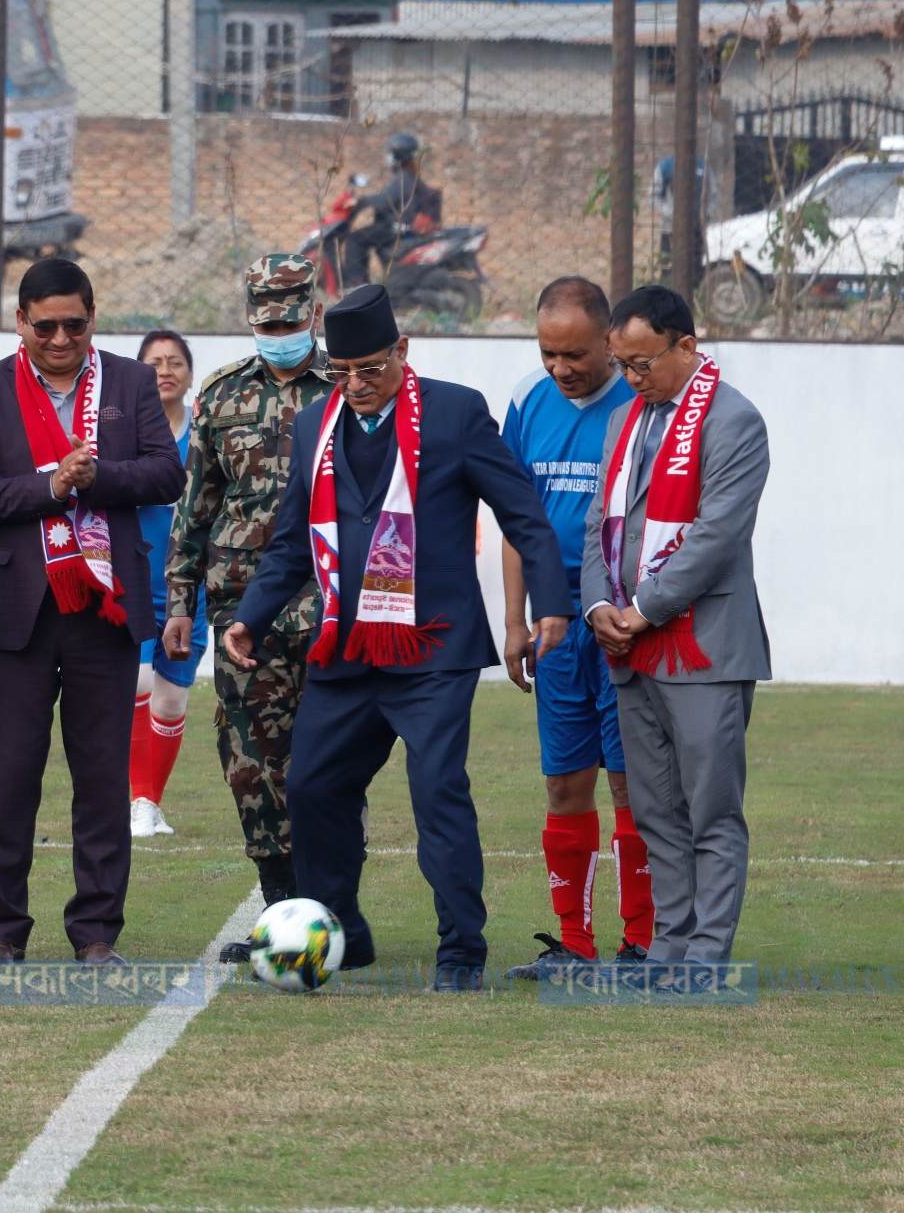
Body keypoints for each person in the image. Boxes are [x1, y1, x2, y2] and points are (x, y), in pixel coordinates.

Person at [222, 283, 570, 992]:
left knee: (436, 787)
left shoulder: (456, 414)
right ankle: (339, 928)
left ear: (402, 352)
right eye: (342, 370)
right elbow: (290, 542)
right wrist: (248, 617)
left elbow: (523, 513)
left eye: (371, 370)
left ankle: (460, 950)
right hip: (346, 648)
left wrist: (550, 606)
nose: (355, 385)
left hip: (433, 649)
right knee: (313, 784)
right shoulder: (313, 423)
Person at [0, 257, 184, 967]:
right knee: (10, 775)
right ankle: (4, 929)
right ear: (20, 321)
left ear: (93, 316)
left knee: (100, 777)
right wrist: (51, 485)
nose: (60, 338)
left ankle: (95, 933)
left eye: (74, 324)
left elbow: (166, 473)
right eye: (45, 325)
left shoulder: (130, 381)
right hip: (17, 610)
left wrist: (99, 477)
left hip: (105, 609)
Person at [584, 285, 770, 966]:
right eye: (622, 364)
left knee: (710, 808)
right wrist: (599, 605)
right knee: (657, 809)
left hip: (703, 648)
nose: (631, 379)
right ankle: (670, 942)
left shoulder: (735, 421)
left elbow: (717, 536)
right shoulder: (624, 420)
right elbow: (597, 528)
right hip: (630, 647)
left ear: (686, 346)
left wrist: (642, 607)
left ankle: (707, 952)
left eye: (642, 363)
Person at [162, 254, 336, 962]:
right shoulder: (222, 394)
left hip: (329, 608)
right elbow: (194, 506)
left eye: (291, 320)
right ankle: (282, 916)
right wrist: (180, 600)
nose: (280, 331)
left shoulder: (347, 386)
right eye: (267, 322)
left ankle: (332, 912)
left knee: (324, 769)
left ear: (314, 313)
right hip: (242, 615)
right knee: (251, 767)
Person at [496, 277, 652, 979]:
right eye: (548, 352)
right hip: (554, 630)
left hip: (623, 625)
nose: (561, 367)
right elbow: (513, 521)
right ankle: (574, 943)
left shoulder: (642, 408)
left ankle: (642, 941)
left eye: (576, 354)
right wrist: (514, 621)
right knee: (564, 786)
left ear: (610, 342)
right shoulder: (528, 404)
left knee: (631, 787)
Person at [127, 329, 204, 839]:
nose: (165, 370)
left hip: (189, 592)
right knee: (139, 684)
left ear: (190, 374)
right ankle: (134, 802)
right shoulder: (124, 432)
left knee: (172, 700)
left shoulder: (206, 433)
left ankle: (151, 802)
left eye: (175, 361)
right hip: (133, 582)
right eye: (154, 362)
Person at [340, 132, 441, 290]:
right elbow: (387, 198)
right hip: (400, 226)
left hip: (395, 227)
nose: (387, 158)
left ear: (397, 155)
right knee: (366, 236)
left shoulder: (403, 178)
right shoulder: (407, 176)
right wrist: (368, 200)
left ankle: (357, 286)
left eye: (389, 154)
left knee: (355, 240)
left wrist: (361, 201)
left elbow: (385, 201)